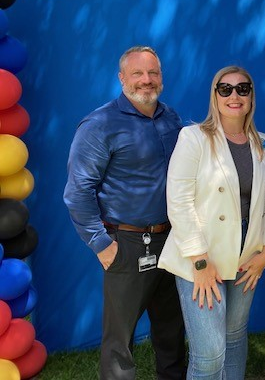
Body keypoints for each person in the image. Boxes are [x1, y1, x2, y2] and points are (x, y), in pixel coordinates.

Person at [64, 46, 186, 379]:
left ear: (161, 77)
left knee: (172, 332)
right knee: (120, 344)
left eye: (153, 73)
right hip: (126, 244)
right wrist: (101, 245)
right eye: (137, 73)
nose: (146, 81)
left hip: (172, 242)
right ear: (122, 78)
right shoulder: (99, 125)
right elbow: (77, 192)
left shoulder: (172, 118)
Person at [158, 66, 265, 380]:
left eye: (243, 88)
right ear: (215, 96)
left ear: (252, 96)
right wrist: (200, 260)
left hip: (247, 252)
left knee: (235, 335)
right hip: (202, 253)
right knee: (209, 352)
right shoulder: (194, 137)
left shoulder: (263, 143)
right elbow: (179, 199)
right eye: (225, 89)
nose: (234, 95)